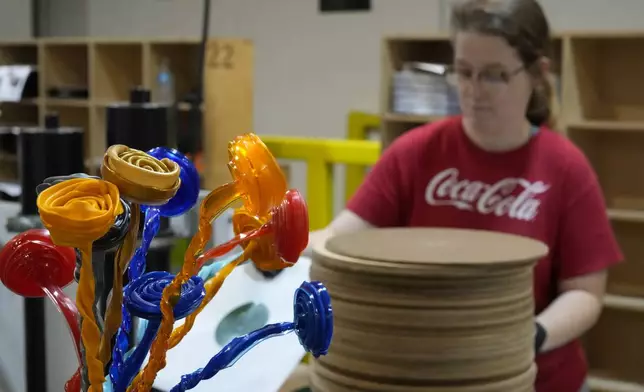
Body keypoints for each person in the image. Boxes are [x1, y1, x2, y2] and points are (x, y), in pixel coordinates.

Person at [306, 1, 623, 391]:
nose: (473, 91)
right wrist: (278, 251)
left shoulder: (566, 168)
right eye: (464, 72)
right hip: (426, 373)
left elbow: (586, 293)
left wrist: (527, 337)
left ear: (538, 74)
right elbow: (340, 241)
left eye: (494, 75)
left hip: (535, 377)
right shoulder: (415, 152)